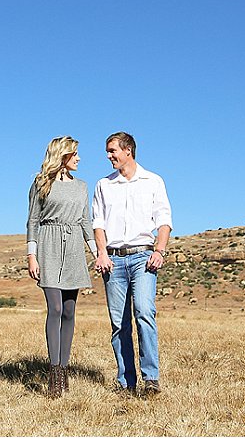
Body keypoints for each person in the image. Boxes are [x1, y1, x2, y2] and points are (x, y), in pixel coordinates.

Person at [92, 132, 172, 396]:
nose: (108, 156)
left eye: (112, 150)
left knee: (144, 313)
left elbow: (164, 220)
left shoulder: (153, 181)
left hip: (143, 258)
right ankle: (127, 382)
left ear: (128, 150)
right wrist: (101, 253)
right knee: (119, 323)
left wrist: (159, 251)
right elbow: (98, 223)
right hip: (113, 260)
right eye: (108, 151)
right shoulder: (103, 185)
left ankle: (151, 379)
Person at [26, 135, 98, 398]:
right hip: (49, 245)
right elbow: (32, 221)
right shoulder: (41, 183)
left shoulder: (81, 186)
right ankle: (54, 371)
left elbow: (85, 221)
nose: (79, 158)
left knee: (69, 311)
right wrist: (31, 256)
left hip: (74, 248)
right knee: (55, 308)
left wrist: (98, 253)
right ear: (63, 155)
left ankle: (64, 371)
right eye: (74, 153)